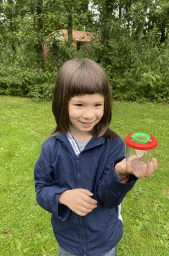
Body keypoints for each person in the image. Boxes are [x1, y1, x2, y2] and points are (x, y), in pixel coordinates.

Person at [34, 59, 157, 256]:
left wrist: (120, 171)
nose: (89, 114)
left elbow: (109, 199)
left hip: (104, 240)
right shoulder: (51, 147)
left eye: (97, 104)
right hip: (69, 242)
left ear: (106, 104)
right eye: (80, 104)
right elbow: (41, 189)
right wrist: (64, 196)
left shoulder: (113, 144)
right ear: (62, 102)